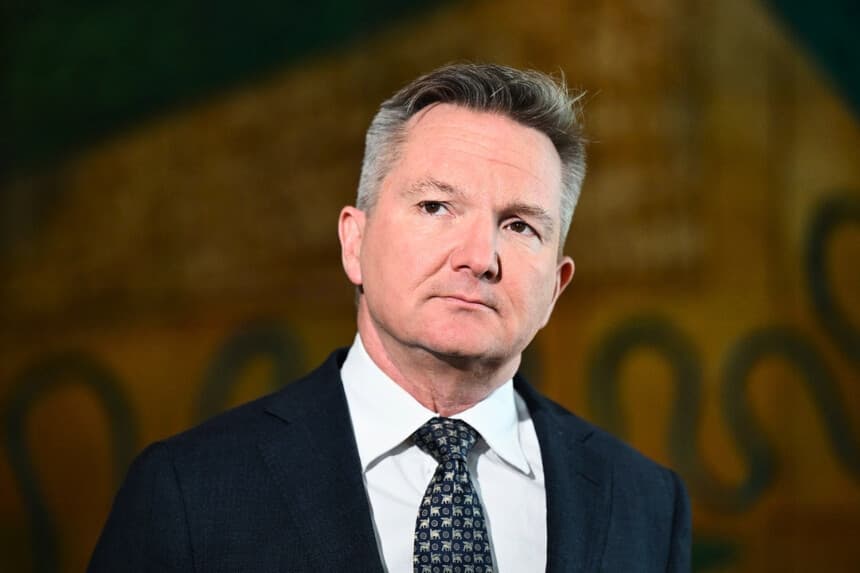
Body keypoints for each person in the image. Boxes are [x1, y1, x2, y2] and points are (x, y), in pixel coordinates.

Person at [89, 63, 690, 572]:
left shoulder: (646, 505)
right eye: (435, 206)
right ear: (355, 242)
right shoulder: (189, 491)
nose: (480, 258)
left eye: (520, 226)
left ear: (556, 287)